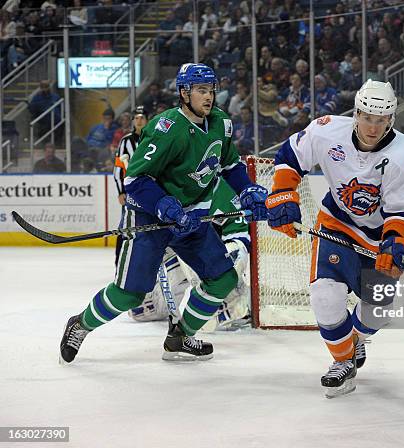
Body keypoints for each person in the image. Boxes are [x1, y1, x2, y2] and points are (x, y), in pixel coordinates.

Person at [59, 63, 269, 364]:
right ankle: (79, 324)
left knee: (222, 279)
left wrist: (247, 189)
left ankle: (181, 336)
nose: (208, 97)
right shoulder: (167, 128)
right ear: (184, 92)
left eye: (211, 90)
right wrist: (164, 204)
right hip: (150, 217)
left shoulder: (221, 123)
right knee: (130, 294)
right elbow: (134, 180)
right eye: (200, 90)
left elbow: (230, 164)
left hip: (192, 219)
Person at [265, 80, 404, 397]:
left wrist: (395, 244)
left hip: (378, 241)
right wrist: (283, 192)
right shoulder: (327, 131)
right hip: (336, 226)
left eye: (381, 120)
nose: (373, 126)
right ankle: (342, 363)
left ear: (391, 119)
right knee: (324, 296)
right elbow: (290, 154)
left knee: (376, 313)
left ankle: (356, 339)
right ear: (356, 113)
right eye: (367, 117)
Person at [112, 105, 149, 265]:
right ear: (133, 121)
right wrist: (121, 191)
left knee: (153, 228)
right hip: (131, 192)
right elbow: (118, 168)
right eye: (136, 118)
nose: (139, 120)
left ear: (147, 120)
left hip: (151, 191)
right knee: (126, 228)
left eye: (142, 117)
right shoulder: (125, 141)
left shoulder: (155, 138)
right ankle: (120, 264)